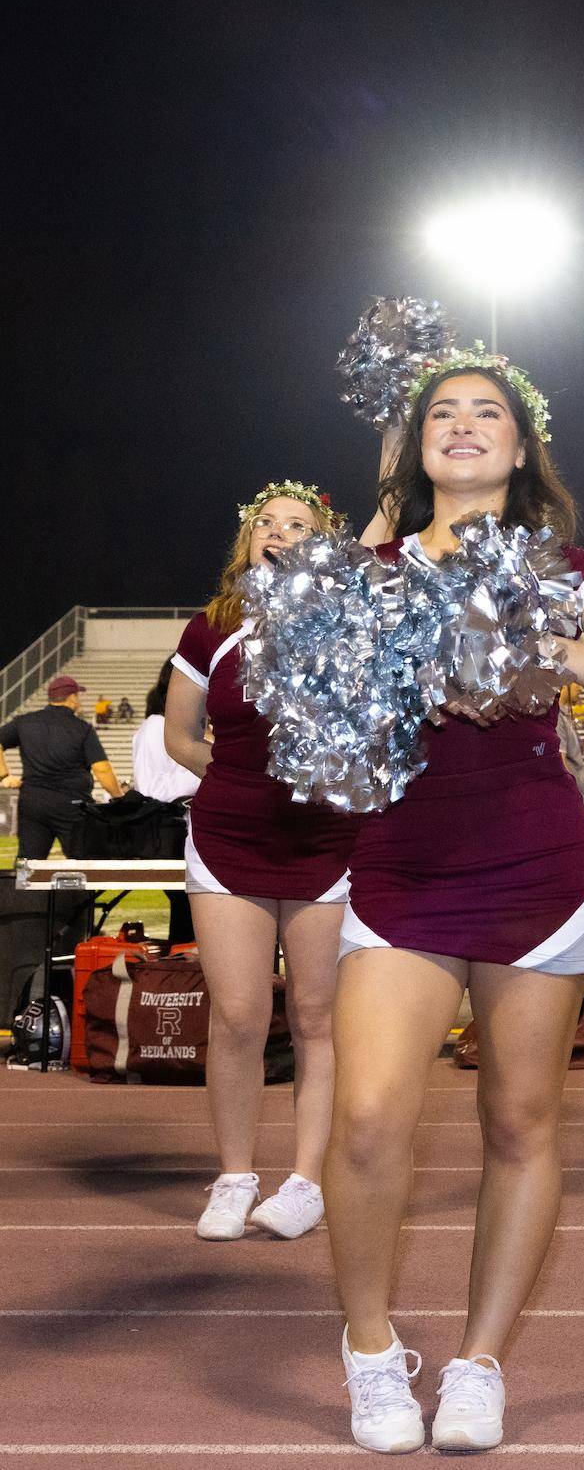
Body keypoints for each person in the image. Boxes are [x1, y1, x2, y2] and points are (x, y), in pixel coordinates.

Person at [327, 353, 584, 1454]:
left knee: (520, 1121)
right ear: (417, 444)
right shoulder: (366, 575)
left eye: (488, 413)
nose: (466, 425)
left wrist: (550, 641)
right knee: (371, 1114)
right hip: (399, 874)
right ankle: (372, 1350)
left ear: (522, 449)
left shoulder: (570, 567)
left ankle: (479, 1362)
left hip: (536, 874)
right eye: (445, 412)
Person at [164, 483, 362, 1247]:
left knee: (317, 1018)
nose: (278, 533)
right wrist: (237, 775)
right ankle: (234, 1175)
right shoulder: (210, 627)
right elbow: (181, 734)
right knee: (241, 1015)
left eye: (297, 525)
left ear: (323, 543)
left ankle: (307, 1179)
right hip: (230, 837)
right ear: (246, 540)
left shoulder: (350, 623)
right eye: (265, 524)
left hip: (330, 841)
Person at [0, 675, 125, 859]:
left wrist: (4, 776)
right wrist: (119, 798)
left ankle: (22, 890)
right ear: (72, 697)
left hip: (33, 802)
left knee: (29, 865)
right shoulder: (82, 728)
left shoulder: (24, 722)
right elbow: (102, 769)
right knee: (83, 864)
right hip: (72, 805)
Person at [130, 656, 201, 943]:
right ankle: (181, 975)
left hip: (167, 829)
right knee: (187, 911)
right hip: (169, 832)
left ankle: (181, 972)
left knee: (185, 910)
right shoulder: (158, 727)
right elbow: (158, 789)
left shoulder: (153, 726)